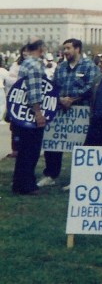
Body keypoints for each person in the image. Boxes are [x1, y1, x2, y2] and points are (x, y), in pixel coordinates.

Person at [37, 38, 98, 187]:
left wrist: (73, 99)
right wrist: (60, 99)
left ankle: (80, 178)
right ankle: (51, 174)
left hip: (81, 111)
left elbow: (92, 86)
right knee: (54, 144)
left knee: (82, 145)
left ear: (77, 49)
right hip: (61, 111)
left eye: (68, 48)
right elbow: (54, 86)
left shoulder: (89, 66)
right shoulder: (61, 67)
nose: (65, 51)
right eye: (64, 48)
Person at [11, 40, 48, 195]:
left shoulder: (25, 63)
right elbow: (34, 92)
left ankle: (19, 183)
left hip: (22, 114)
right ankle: (27, 185)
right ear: (40, 49)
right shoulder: (35, 66)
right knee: (31, 151)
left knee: (24, 151)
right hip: (31, 113)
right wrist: (38, 113)